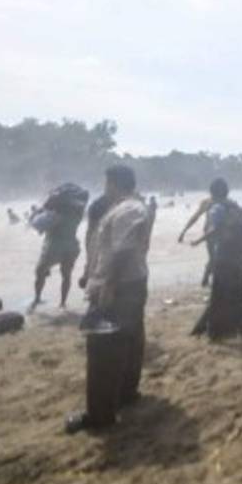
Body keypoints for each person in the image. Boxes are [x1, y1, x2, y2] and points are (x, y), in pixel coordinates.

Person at [67, 165, 152, 434]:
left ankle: (100, 414)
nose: (104, 187)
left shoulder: (127, 209)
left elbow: (122, 249)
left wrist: (108, 285)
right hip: (131, 283)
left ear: (113, 183)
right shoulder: (133, 207)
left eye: (106, 182)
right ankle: (127, 393)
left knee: (104, 349)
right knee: (130, 339)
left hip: (120, 286)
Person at [191, 178, 242, 338]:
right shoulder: (235, 206)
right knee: (241, 291)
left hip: (225, 254)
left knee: (219, 292)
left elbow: (215, 229)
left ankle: (218, 331)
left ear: (212, 193)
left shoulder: (216, 208)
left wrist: (198, 241)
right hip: (240, 254)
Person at [32, 183, 89, 309]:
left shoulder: (55, 214)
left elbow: (37, 225)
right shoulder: (77, 214)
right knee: (66, 275)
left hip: (54, 246)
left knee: (40, 271)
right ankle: (63, 303)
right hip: (72, 246)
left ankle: (37, 299)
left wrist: (39, 211)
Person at [178, 194, 218, 286]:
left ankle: (210, 278)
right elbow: (195, 217)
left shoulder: (226, 203)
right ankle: (206, 278)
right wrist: (184, 231)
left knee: (217, 257)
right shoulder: (208, 202)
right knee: (213, 257)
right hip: (210, 234)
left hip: (220, 233)